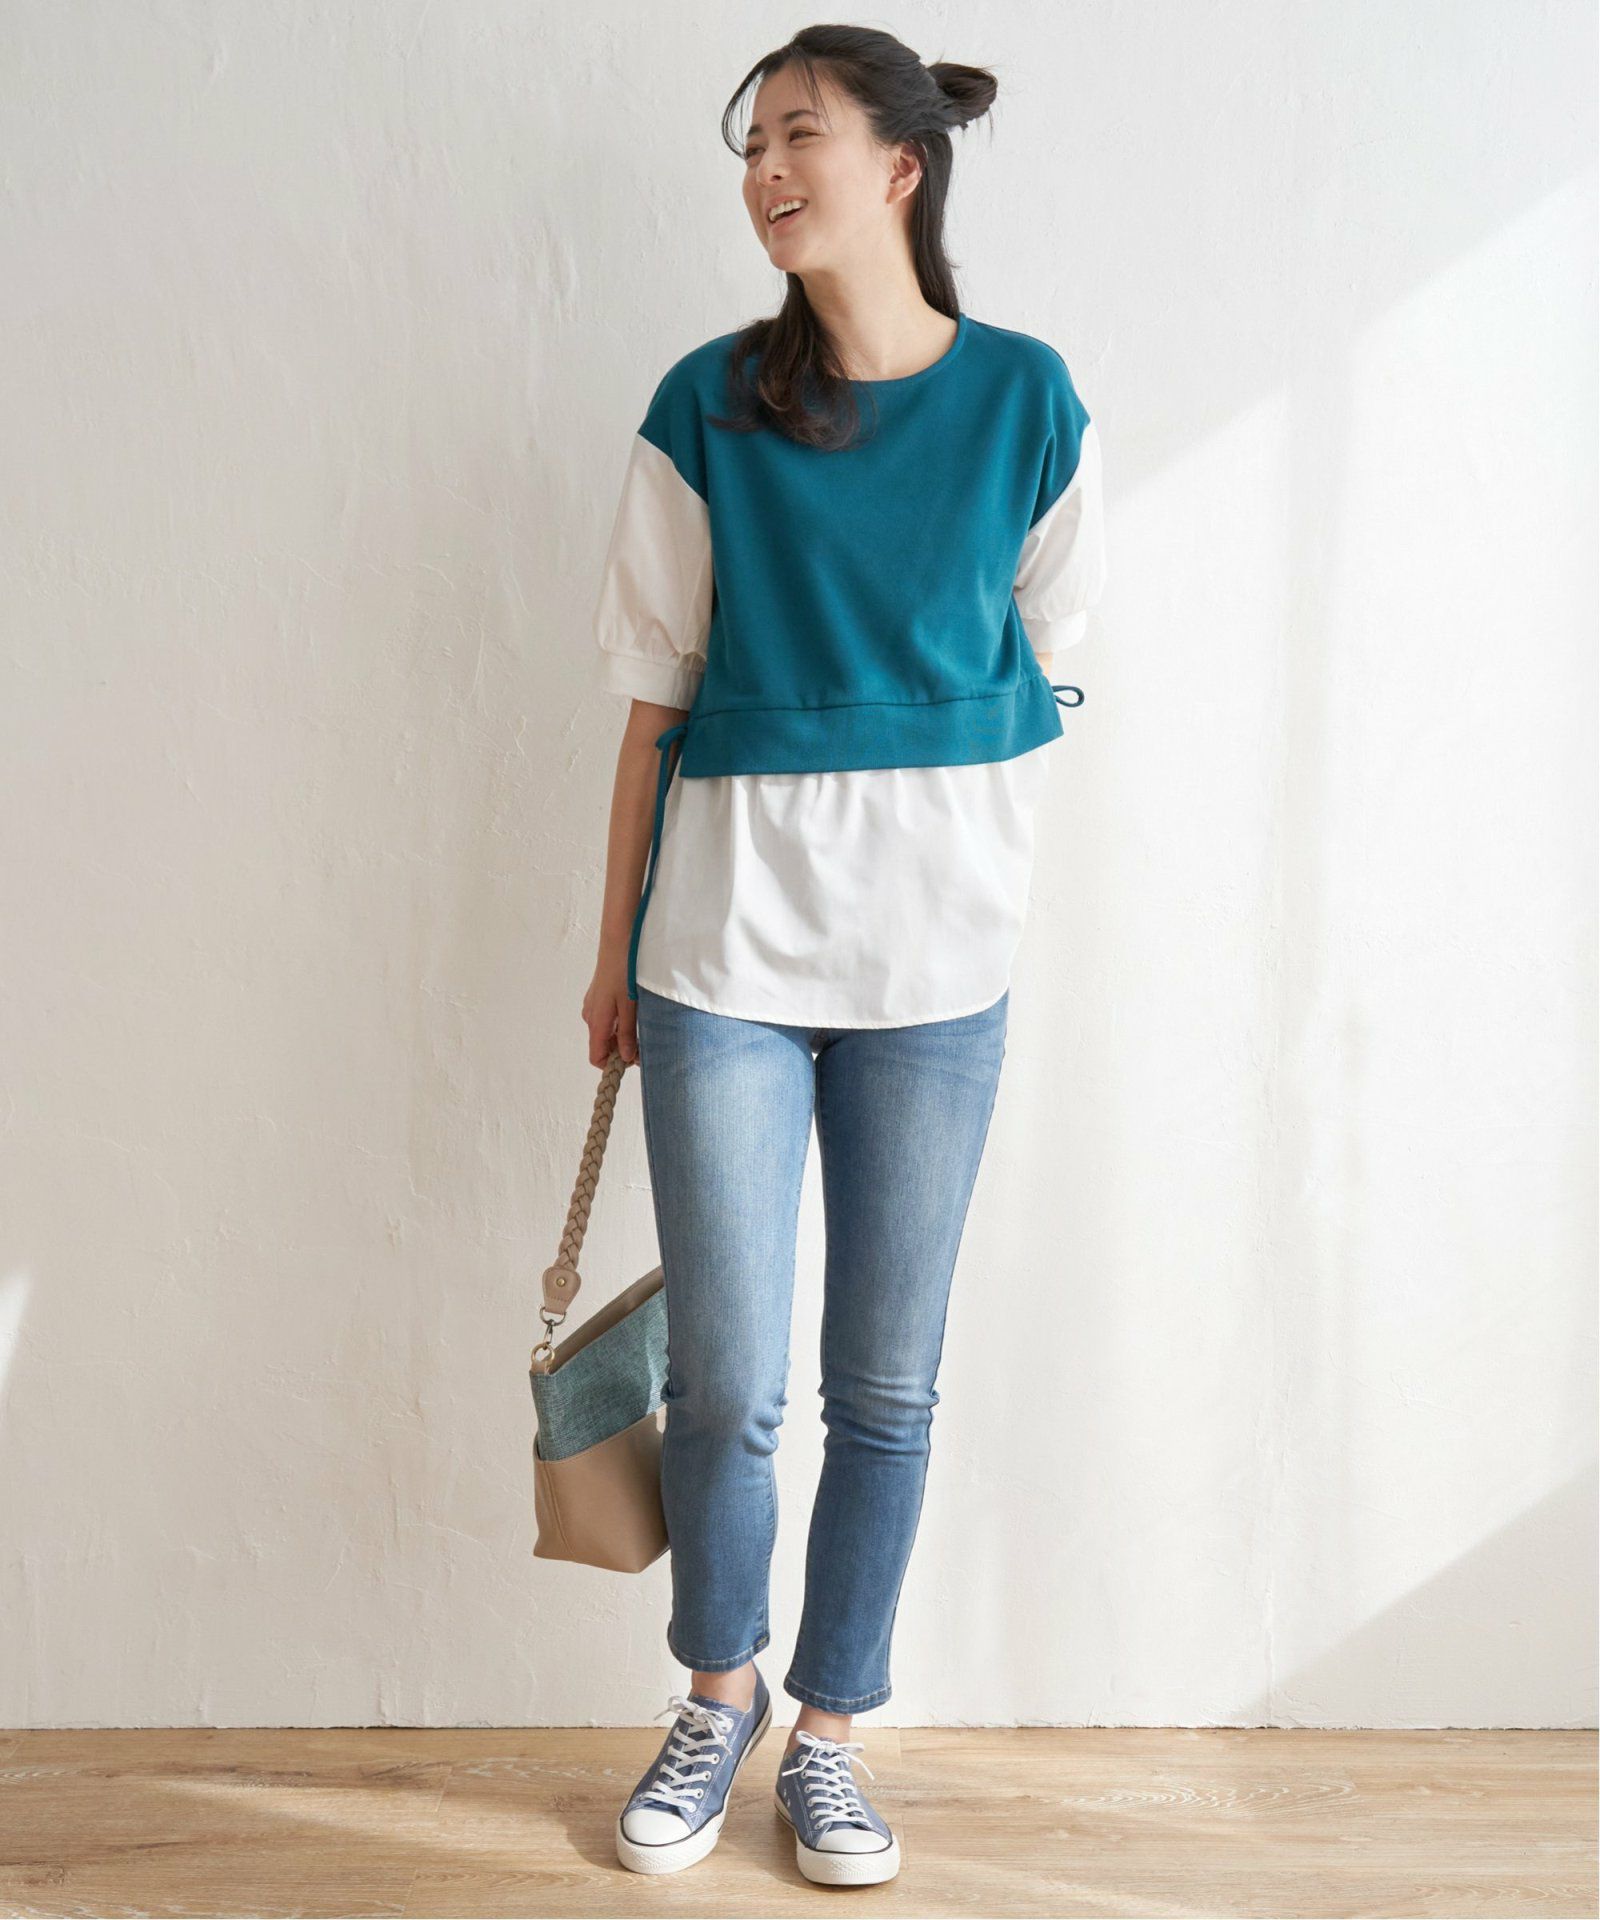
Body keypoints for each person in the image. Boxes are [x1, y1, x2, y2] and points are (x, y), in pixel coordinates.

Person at [582, 25, 1106, 1888]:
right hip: (719, 960)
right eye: (752, 145)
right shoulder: (705, 405)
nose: (765, 173)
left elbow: (1054, 649)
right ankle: (714, 1698)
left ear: (901, 163)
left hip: (940, 971)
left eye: (798, 134)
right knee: (729, 1386)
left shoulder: (1029, 399)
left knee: (889, 1387)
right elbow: (652, 700)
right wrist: (609, 953)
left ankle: (830, 1737)